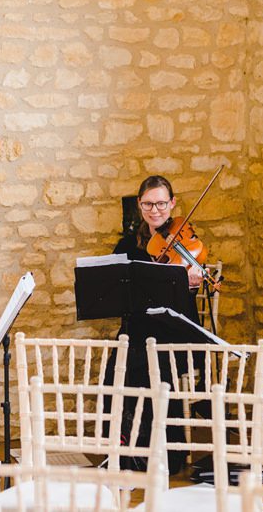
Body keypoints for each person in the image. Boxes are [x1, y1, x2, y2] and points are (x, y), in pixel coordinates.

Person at [107, 175, 208, 471]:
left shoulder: (186, 244)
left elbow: (187, 300)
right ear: (140, 206)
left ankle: (164, 451)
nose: (155, 210)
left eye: (161, 203)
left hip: (175, 330)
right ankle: (128, 447)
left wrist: (191, 283)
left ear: (172, 203)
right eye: (149, 204)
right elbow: (117, 291)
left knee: (152, 362)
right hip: (139, 328)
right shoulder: (127, 246)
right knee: (121, 360)